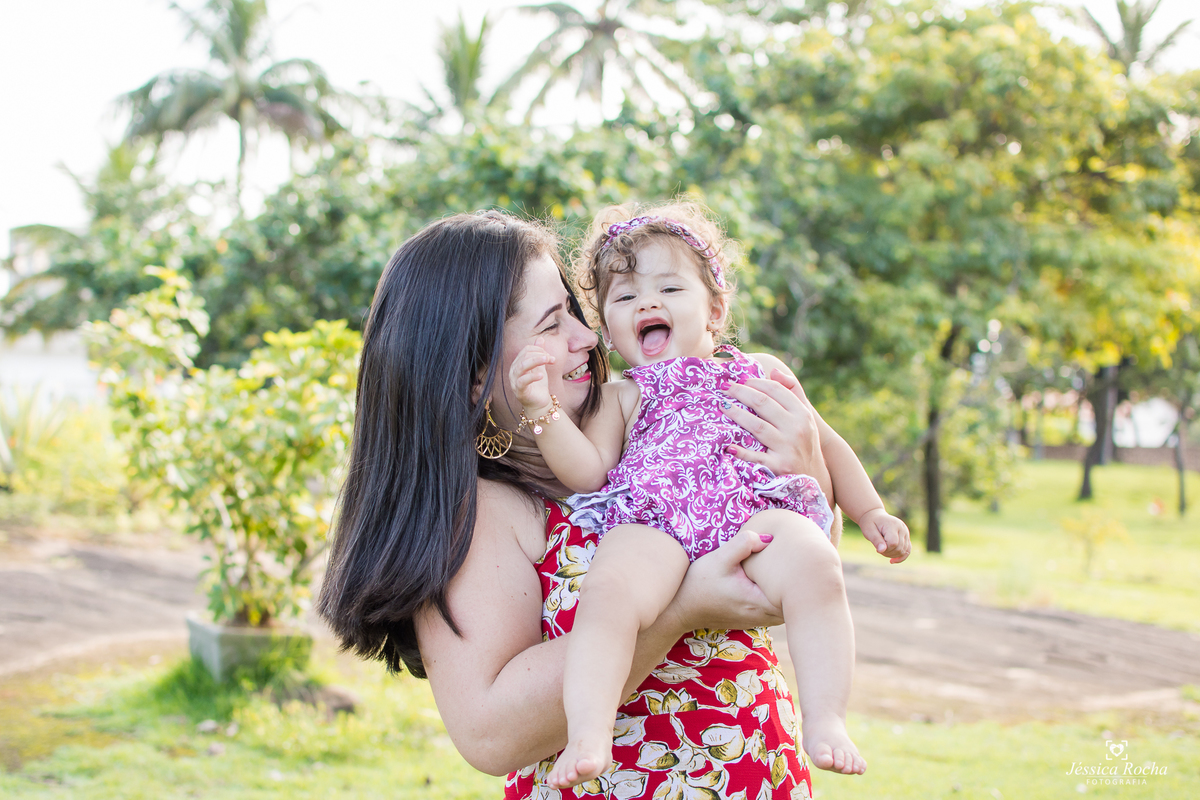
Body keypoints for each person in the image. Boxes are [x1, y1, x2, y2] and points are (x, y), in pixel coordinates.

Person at [317, 210, 904, 800]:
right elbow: (489, 735)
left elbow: (789, 587)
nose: (588, 337)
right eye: (553, 324)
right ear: (473, 374)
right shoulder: (485, 507)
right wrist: (682, 607)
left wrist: (811, 476)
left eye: (575, 310)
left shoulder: (653, 430)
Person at [508, 202, 910, 787]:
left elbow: (828, 444)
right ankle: (588, 729)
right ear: (607, 329)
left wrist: (870, 510)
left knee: (818, 567)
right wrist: (542, 412)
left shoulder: (759, 371)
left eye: (669, 288)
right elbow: (588, 473)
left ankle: (827, 718)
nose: (646, 304)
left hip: (753, 515)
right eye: (624, 298)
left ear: (715, 309)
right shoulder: (621, 396)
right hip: (658, 524)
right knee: (610, 594)